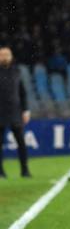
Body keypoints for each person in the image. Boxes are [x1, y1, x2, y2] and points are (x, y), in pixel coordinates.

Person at [0, 46, 31, 178]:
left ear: (11, 57)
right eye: (2, 55)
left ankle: (25, 170)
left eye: (7, 55)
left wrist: (26, 110)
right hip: (0, 113)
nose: (5, 57)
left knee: (21, 143)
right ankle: (0, 172)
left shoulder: (16, 71)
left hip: (15, 113)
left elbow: (22, 93)